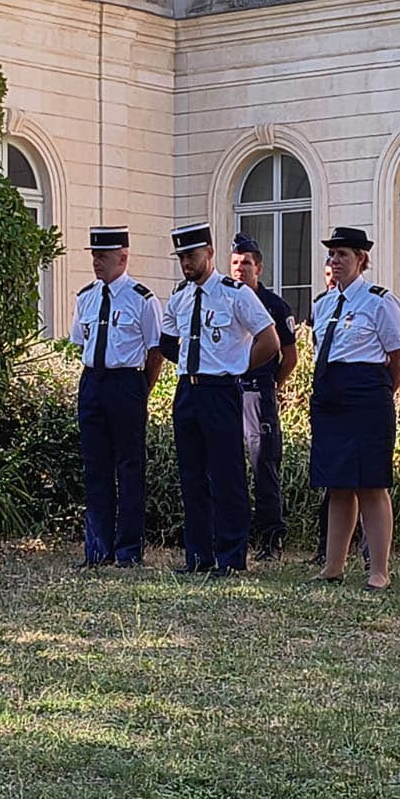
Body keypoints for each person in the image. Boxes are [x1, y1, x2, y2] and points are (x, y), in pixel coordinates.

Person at [160, 223, 279, 577]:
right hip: (188, 390)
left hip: (221, 389)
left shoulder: (234, 293)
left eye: (192, 256)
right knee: (192, 474)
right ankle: (198, 555)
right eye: (181, 257)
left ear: (210, 254)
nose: (186, 263)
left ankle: (231, 556)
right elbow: (166, 341)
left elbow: (270, 340)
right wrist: (190, 361)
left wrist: (237, 365)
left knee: (227, 474)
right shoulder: (180, 296)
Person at [308, 226, 400, 591]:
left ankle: (378, 571)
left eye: (343, 255)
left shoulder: (379, 301)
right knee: (337, 484)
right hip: (330, 398)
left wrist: (380, 393)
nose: (334, 261)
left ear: (361, 259)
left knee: (371, 483)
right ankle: (333, 566)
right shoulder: (322, 304)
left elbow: (399, 356)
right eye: (331, 254)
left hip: (366, 397)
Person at [69, 225, 162, 568]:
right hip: (93, 381)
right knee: (96, 466)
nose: (97, 262)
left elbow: (155, 351)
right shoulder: (86, 297)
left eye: (104, 257)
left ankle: (128, 550)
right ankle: (98, 548)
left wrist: (140, 390)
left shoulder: (142, 299)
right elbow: (80, 341)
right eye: (94, 256)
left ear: (122, 258)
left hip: (127, 382)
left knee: (129, 467)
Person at [229, 233, 298, 561]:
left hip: (258, 390)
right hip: (227, 390)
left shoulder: (274, 305)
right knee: (228, 465)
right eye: (235, 263)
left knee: (263, 464)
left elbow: (290, 356)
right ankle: (233, 535)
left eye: (246, 263)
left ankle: (271, 539)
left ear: (259, 268)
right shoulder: (223, 298)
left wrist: (273, 385)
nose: (239, 269)